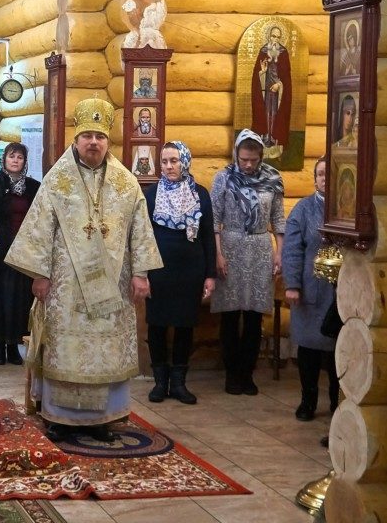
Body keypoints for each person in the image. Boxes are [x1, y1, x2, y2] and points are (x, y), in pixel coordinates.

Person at [7, 98, 162, 443]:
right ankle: (60, 418)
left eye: (100, 136)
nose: (94, 142)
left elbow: (140, 229)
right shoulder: (56, 181)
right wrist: (39, 275)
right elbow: (39, 229)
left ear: (108, 142)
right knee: (65, 347)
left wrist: (141, 274)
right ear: (75, 140)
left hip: (113, 286)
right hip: (65, 286)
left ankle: (101, 418)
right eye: (87, 135)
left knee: (105, 349)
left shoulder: (126, 184)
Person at [211, 129, 285, 396]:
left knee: (254, 316)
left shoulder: (273, 180)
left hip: (260, 249)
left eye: (253, 159)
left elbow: (278, 220)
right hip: (230, 247)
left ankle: (247, 373)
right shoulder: (223, 179)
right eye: (244, 159)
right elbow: (214, 220)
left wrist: (279, 253)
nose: (248, 164)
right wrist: (217, 254)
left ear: (261, 156)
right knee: (231, 315)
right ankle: (232, 374)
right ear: (236, 154)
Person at [143, 141, 216, 405]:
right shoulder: (151, 195)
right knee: (158, 325)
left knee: (185, 325)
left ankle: (180, 383)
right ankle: (160, 383)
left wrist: (210, 275)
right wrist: (142, 273)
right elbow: (143, 237)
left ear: (184, 161)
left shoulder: (201, 194)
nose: (169, 166)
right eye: (164, 161)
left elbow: (208, 236)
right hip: (159, 270)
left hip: (190, 271)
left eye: (174, 161)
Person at [282, 158, 340, 421]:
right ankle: (308, 401)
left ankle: (338, 404)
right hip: (310, 289)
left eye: (330, 174)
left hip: (342, 291)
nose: (325, 178)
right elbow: (292, 250)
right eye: (320, 174)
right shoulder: (303, 209)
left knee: (339, 351)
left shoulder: (349, 207)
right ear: (314, 179)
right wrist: (292, 285)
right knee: (309, 349)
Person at [0, 143, 40, 366]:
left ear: (25, 162)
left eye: (20, 158)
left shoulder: (34, 187)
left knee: (19, 299)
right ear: (4, 159)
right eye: (11, 156)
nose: (15, 161)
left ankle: (14, 345)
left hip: (23, 251)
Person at [251, 25, 292, 148]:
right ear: (269, 36)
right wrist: (262, 72)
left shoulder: (283, 53)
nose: (275, 40)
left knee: (275, 113)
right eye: (273, 36)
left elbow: (286, 77)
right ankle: (265, 137)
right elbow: (256, 74)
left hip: (278, 91)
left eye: (278, 38)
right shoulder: (263, 51)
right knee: (265, 112)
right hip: (265, 90)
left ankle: (274, 137)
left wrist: (279, 85)